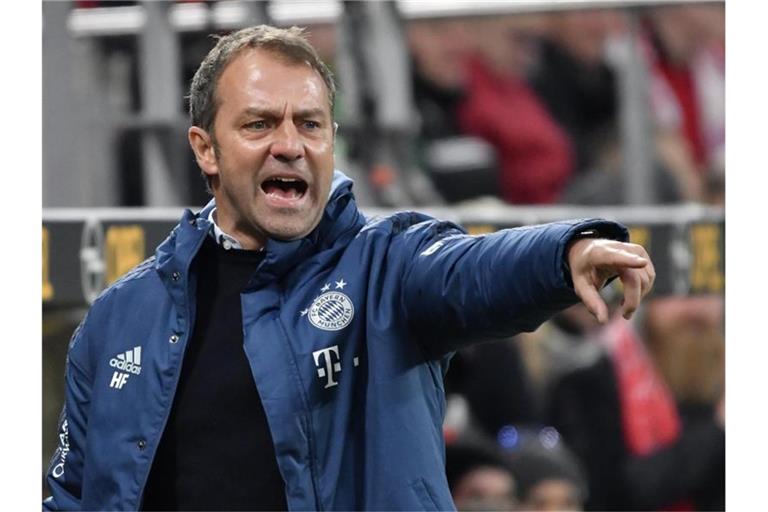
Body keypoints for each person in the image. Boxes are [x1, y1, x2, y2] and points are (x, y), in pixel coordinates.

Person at [43, 25, 655, 511]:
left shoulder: (388, 266)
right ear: (206, 149)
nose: (290, 145)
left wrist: (563, 253)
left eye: (309, 124)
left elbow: (471, 270)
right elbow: (72, 495)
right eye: (259, 124)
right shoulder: (119, 319)